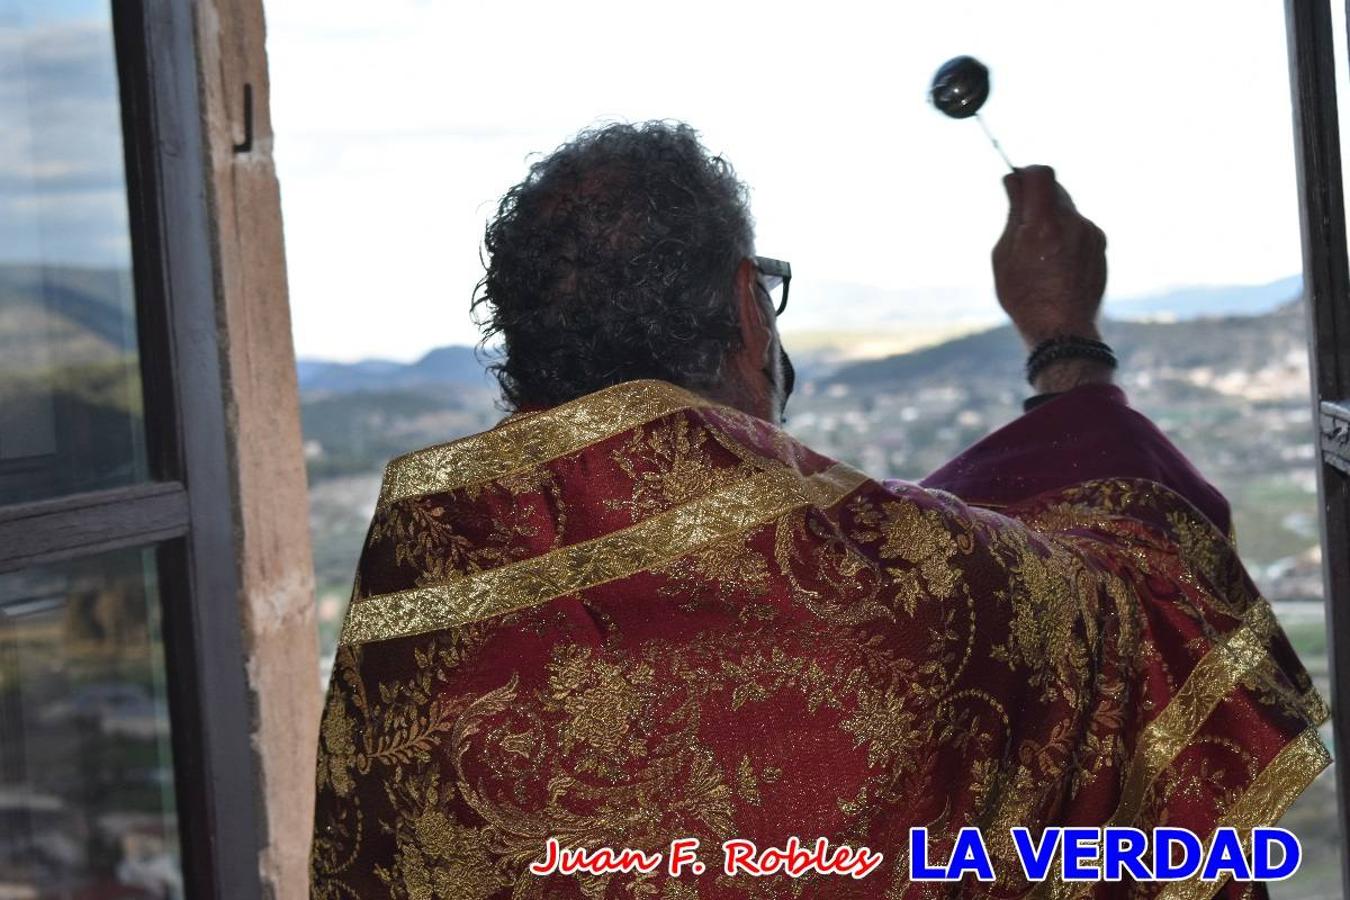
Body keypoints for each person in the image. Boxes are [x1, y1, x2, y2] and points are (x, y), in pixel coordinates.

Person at [309, 122, 1328, 899]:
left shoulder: (423, 576)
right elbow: (1147, 602)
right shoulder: (893, 588)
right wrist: (1066, 342)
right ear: (749, 308)